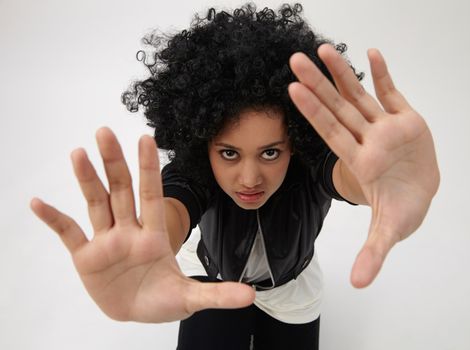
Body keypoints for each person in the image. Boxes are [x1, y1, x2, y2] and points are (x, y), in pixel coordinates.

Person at [30, 3, 440, 350]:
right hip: (211, 277)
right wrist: (160, 244)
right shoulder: (198, 170)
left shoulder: (310, 164)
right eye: (228, 152)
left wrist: (377, 183)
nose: (249, 178)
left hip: (291, 289)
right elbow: (175, 202)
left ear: (296, 142)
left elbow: (344, 174)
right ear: (202, 143)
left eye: (270, 152)